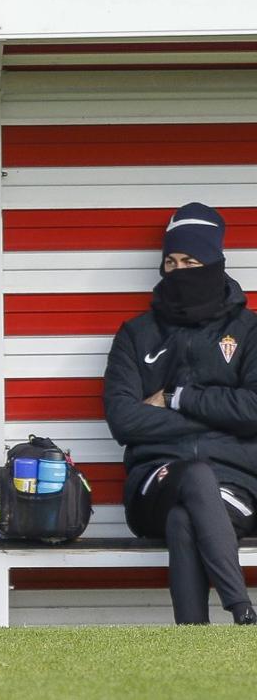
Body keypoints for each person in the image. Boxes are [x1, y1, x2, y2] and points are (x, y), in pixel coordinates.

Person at [104, 202, 257, 625]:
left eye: (190, 261)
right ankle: (241, 609)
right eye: (171, 262)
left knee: (183, 518)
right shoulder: (136, 334)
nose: (179, 270)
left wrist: (176, 397)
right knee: (192, 475)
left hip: (237, 488)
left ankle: (194, 640)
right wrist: (224, 411)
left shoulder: (249, 331)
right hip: (155, 481)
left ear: (214, 264)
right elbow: (123, 419)